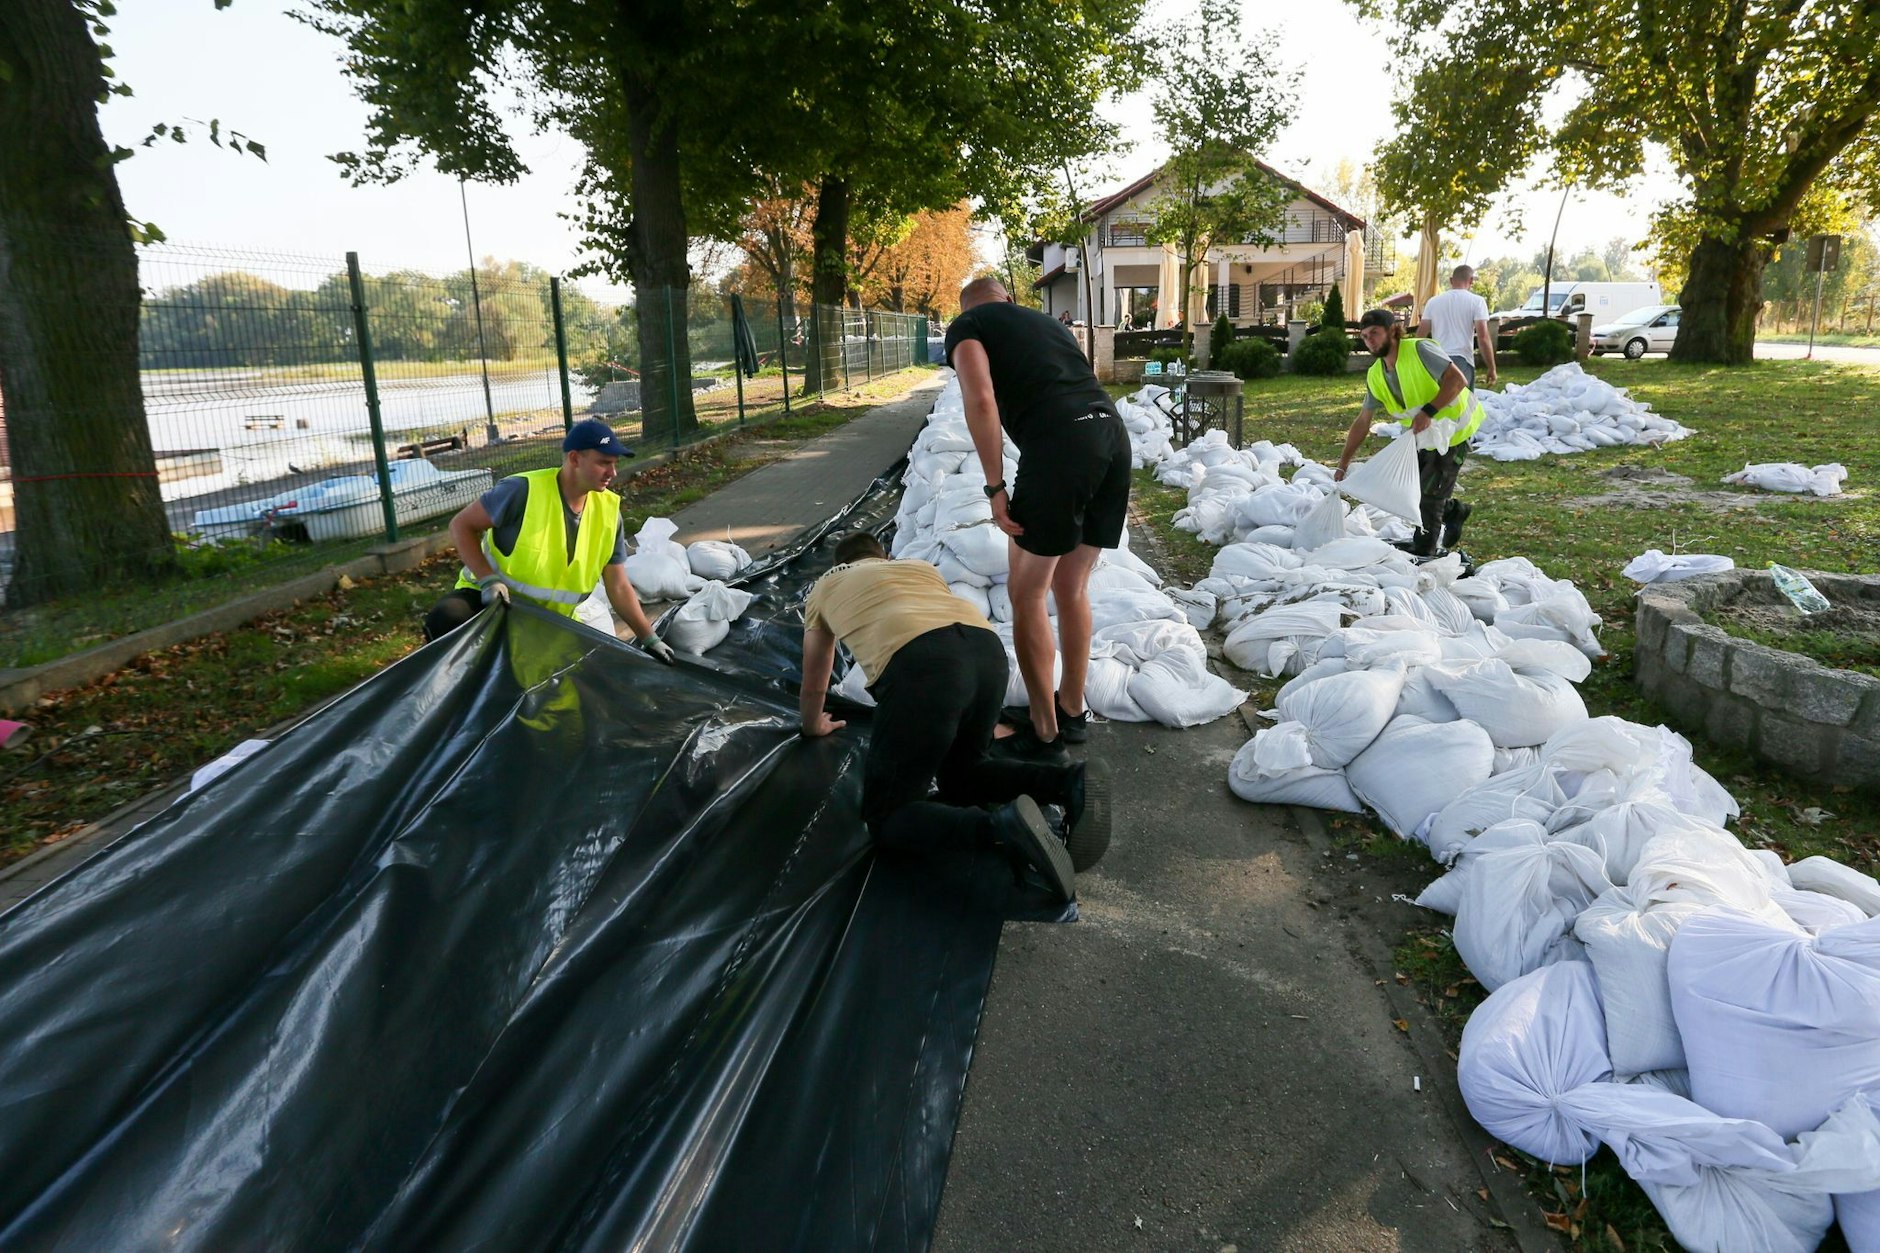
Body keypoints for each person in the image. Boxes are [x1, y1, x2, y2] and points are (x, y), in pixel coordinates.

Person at [798, 532, 1111, 901]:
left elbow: (816, 678)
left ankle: (1001, 829)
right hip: (986, 651)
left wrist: (812, 724)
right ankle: (1066, 782)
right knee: (964, 773)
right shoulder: (917, 568)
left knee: (888, 818)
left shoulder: (825, 586)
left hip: (921, 665)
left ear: (839, 564)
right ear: (882, 556)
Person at [945, 277, 1132, 758]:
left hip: (1060, 446)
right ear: (1009, 298)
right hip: (1111, 434)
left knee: (1025, 593)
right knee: (1071, 588)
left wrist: (994, 487)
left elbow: (980, 398)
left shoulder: (969, 324)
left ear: (966, 306)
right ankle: (1071, 707)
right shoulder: (1048, 322)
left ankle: (1044, 730)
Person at [424, 417, 674, 664]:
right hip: (493, 604)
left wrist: (649, 638)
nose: (613, 472)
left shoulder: (608, 511)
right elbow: (461, 525)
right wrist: (488, 580)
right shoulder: (522, 490)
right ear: (574, 459)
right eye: (604, 463)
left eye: (615, 463)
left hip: (547, 621)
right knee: (447, 618)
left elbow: (618, 586)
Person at [1336, 309, 1485, 556]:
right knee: (1413, 490)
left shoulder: (1419, 350)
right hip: (1422, 435)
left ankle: (1424, 552)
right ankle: (1453, 511)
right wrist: (1342, 464)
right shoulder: (1376, 374)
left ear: (1393, 331)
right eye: (1364, 336)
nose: (1369, 340)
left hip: (1453, 432)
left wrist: (1428, 411)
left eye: (1375, 333)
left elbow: (1457, 381)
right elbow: (1363, 421)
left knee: (1429, 497)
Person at [1416, 265, 1498, 390]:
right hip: (1462, 360)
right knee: (1463, 405)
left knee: (1439, 403)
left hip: (1436, 359)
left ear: (1451, 280)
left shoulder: (1433, 302)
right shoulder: (1477, 302)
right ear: (1471, 281)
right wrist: (1492, 367)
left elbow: (1420, 335)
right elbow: (1483, 337)